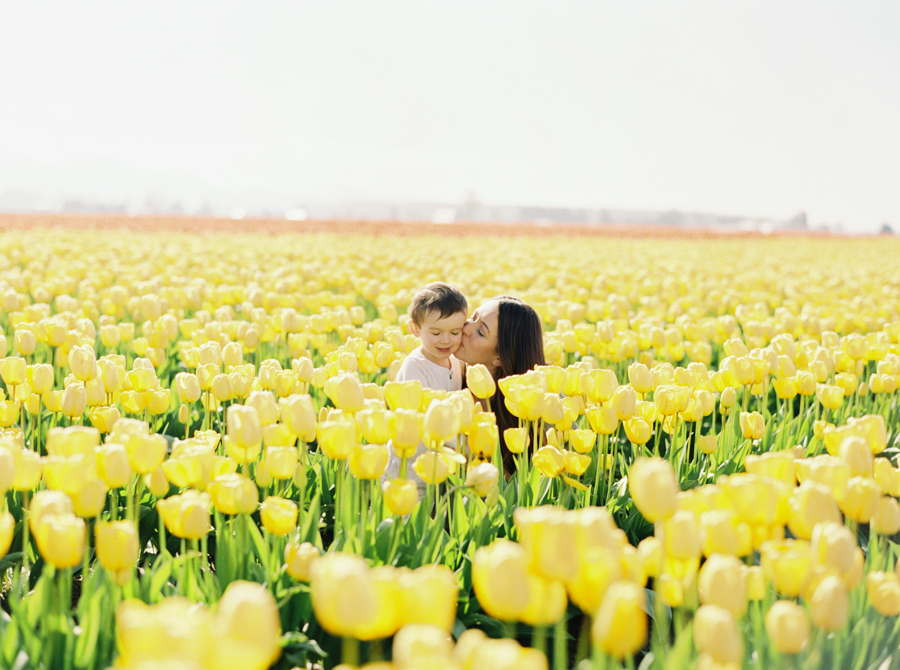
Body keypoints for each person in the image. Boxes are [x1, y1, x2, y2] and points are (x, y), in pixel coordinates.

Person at [382, 282, 468, 492]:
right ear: (415, 329)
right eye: (436, 333)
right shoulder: (415, 366)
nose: (446, 340)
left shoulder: (455, 362)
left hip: (438, 461)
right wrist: (462, 446)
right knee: (408, 517)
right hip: (409, 464)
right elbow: (424, 416)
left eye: (455, 332)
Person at [454, 295, 546, 474]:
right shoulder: (444, 377)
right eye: (473, 317)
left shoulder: (534, 407)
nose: (466, 328)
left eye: (480, 332)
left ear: (500, 358)